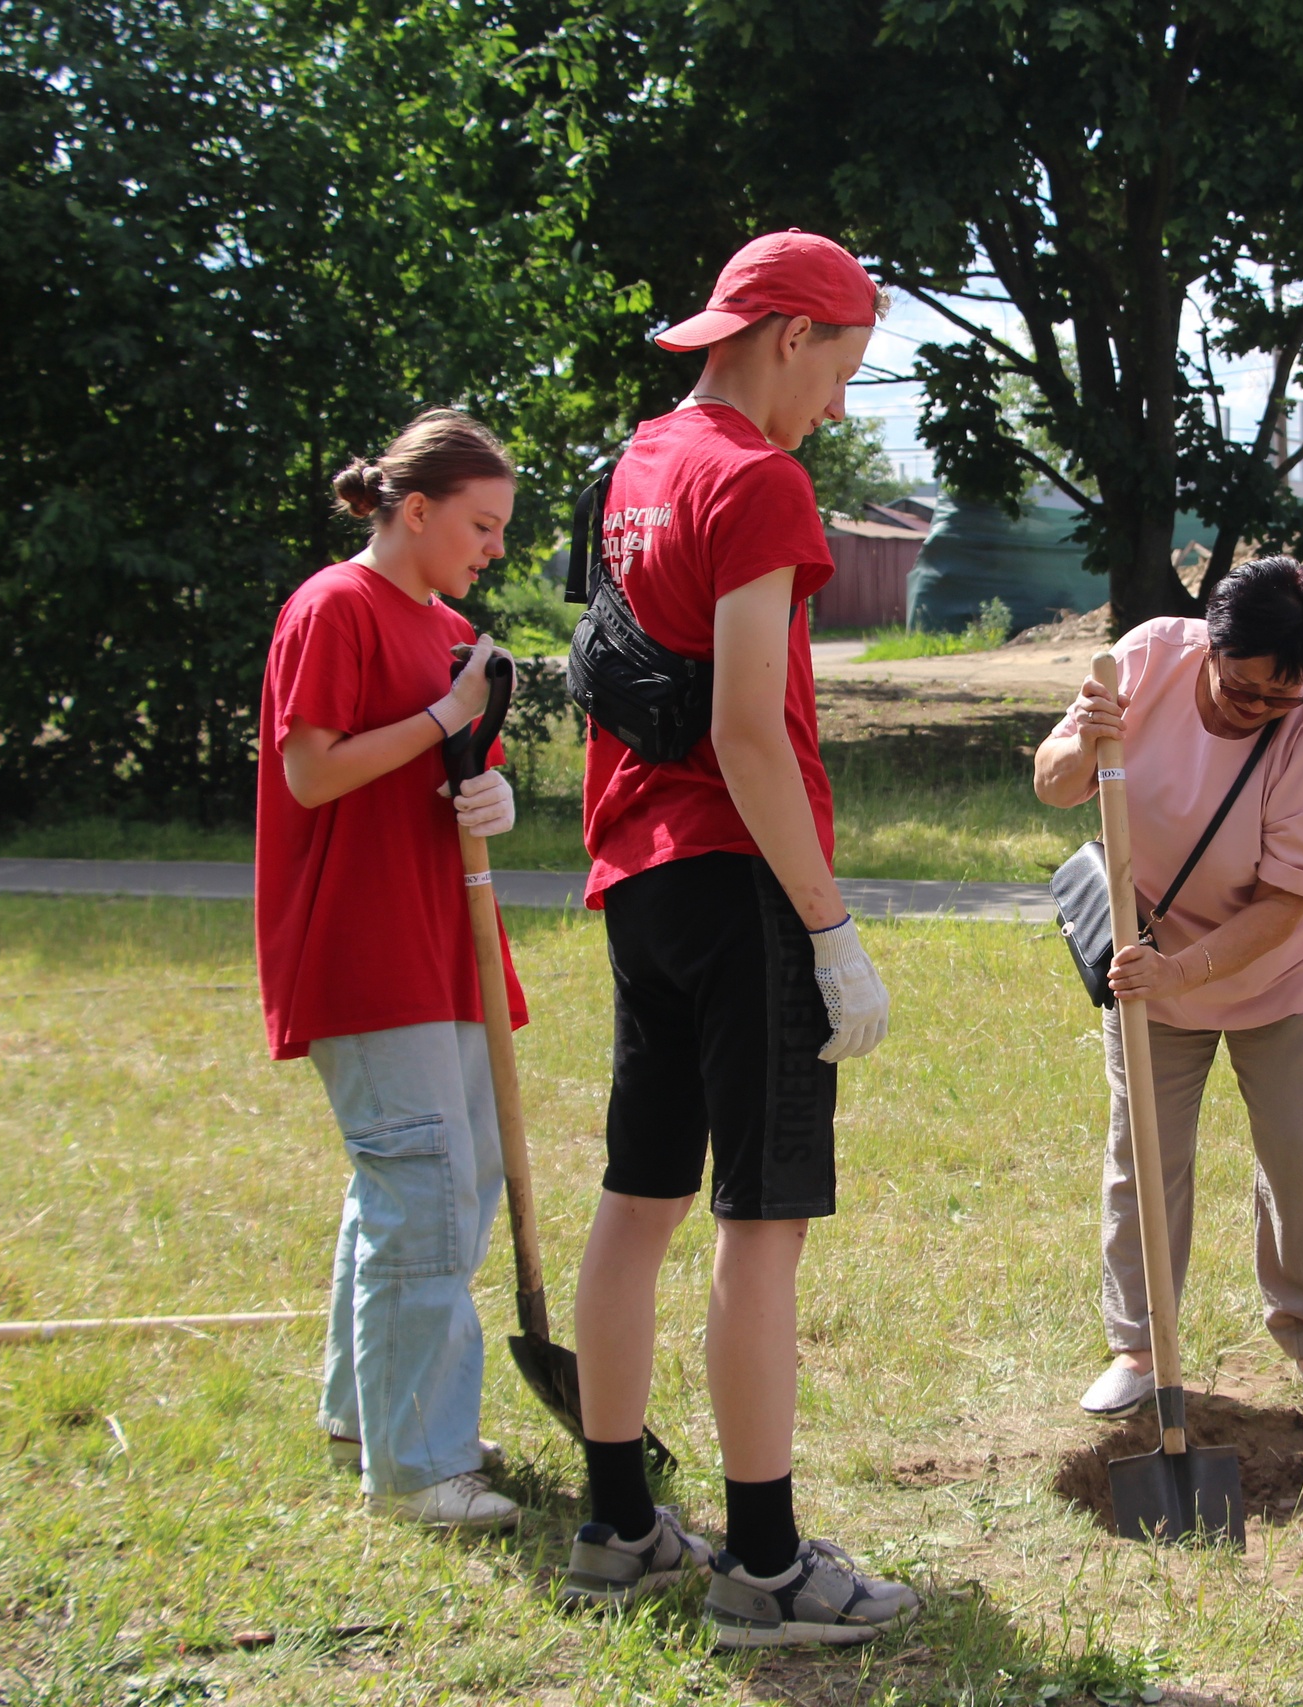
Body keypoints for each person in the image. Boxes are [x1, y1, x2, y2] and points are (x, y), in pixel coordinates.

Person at [559, 230, 914, 1648]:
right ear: (789, 334)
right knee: (760, 1228)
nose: (838, 403)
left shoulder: (636, 462)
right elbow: (747, 729)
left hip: (637, 876)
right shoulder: (758, 479)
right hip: (740, 877)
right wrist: (830, 926)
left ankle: (618, 1524)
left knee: (636, 1199)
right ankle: (765, 1568)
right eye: (843, 368)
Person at [255, 408, 527, 1529]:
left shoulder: (450, 631)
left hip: (447, 943)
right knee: (419, 1190)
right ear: (415, 510)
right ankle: (419, 1466)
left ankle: (363, 1416)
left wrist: (489, 788)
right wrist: (443, 713)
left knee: (447, 1183)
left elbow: (456, 769)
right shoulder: (334, 606)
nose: (496, 548)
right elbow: (312, 774)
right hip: (367, 947)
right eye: (481, 525)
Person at [1033, 558, 1303, 1429]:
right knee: (1143, 1152)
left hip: (1283, 969)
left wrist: (1182, 971)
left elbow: (1286, 905)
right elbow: (1053, 783)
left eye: (1278, 697)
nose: (1254, 709)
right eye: (1240, 687)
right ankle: (1139, 1347)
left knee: (1293, 1153)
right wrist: (1082, 741)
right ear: (1211, 646)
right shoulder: (1145, 660)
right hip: (1148, 956)